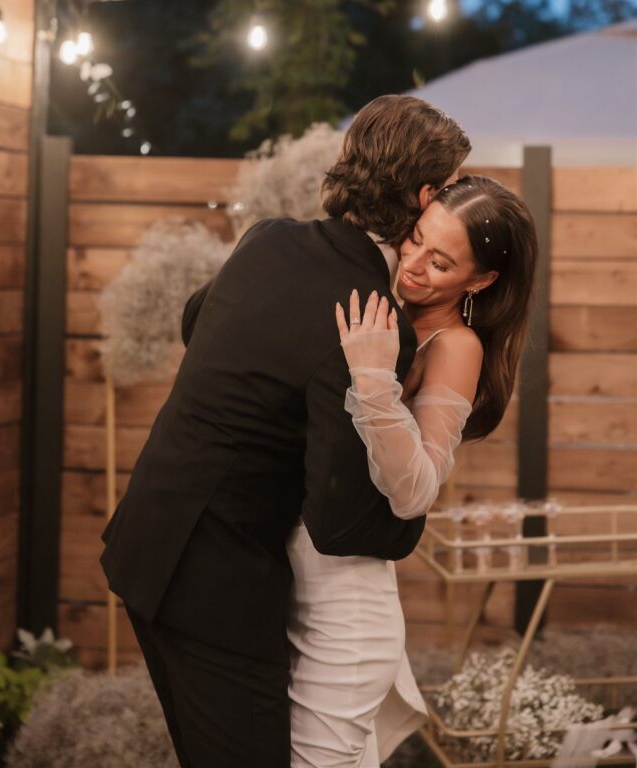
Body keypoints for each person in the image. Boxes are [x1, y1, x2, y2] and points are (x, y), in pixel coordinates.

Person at [99, 94, 471, 768]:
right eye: (447, 190)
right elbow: (341, 524)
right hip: (213, 585)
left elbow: (194, 319)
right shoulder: (373, 321)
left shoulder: (268, 238)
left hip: (143, 544)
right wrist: (413, 511)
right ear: (423, 195)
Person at [287, 174, 538, 768]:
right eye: (416, 239)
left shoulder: (456, 346)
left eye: (442, 263)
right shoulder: (379, 296)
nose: (414, 265)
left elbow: (416, 491)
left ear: (482, 280)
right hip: (293, 580)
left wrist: (373, 378)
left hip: (346, 605)